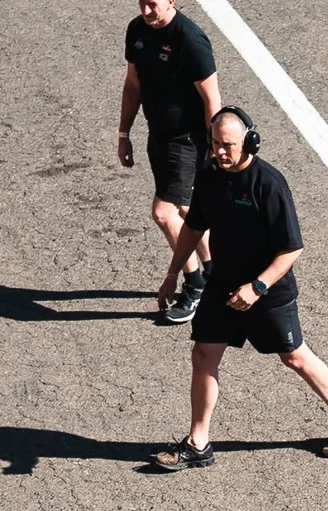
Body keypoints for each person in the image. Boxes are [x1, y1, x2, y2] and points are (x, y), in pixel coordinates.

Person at [152, 107, 328, 468]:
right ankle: (197, 443)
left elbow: (292, 248)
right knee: (203, 355)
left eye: (228, 145)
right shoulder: (209, 176)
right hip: (223, 286)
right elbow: (193, 229)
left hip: (267, 293)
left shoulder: (269, 184)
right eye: (215, 143)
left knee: (293, 356)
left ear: (249, 142)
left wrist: (258, 286)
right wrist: (173, 274)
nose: (219, 152)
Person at [117, 0, 220, 323]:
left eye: (153, 4)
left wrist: (214, 148)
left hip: (187, 140)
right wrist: (124, 132)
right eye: (142, 2)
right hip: (158, 136)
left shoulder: (190, 40)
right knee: (187, 211)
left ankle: (195, 284)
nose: (146, 11)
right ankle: (216, 271)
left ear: (172, 1)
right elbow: (133, 84)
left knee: (163, 212)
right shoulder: (137, 30)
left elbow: (211, 98)